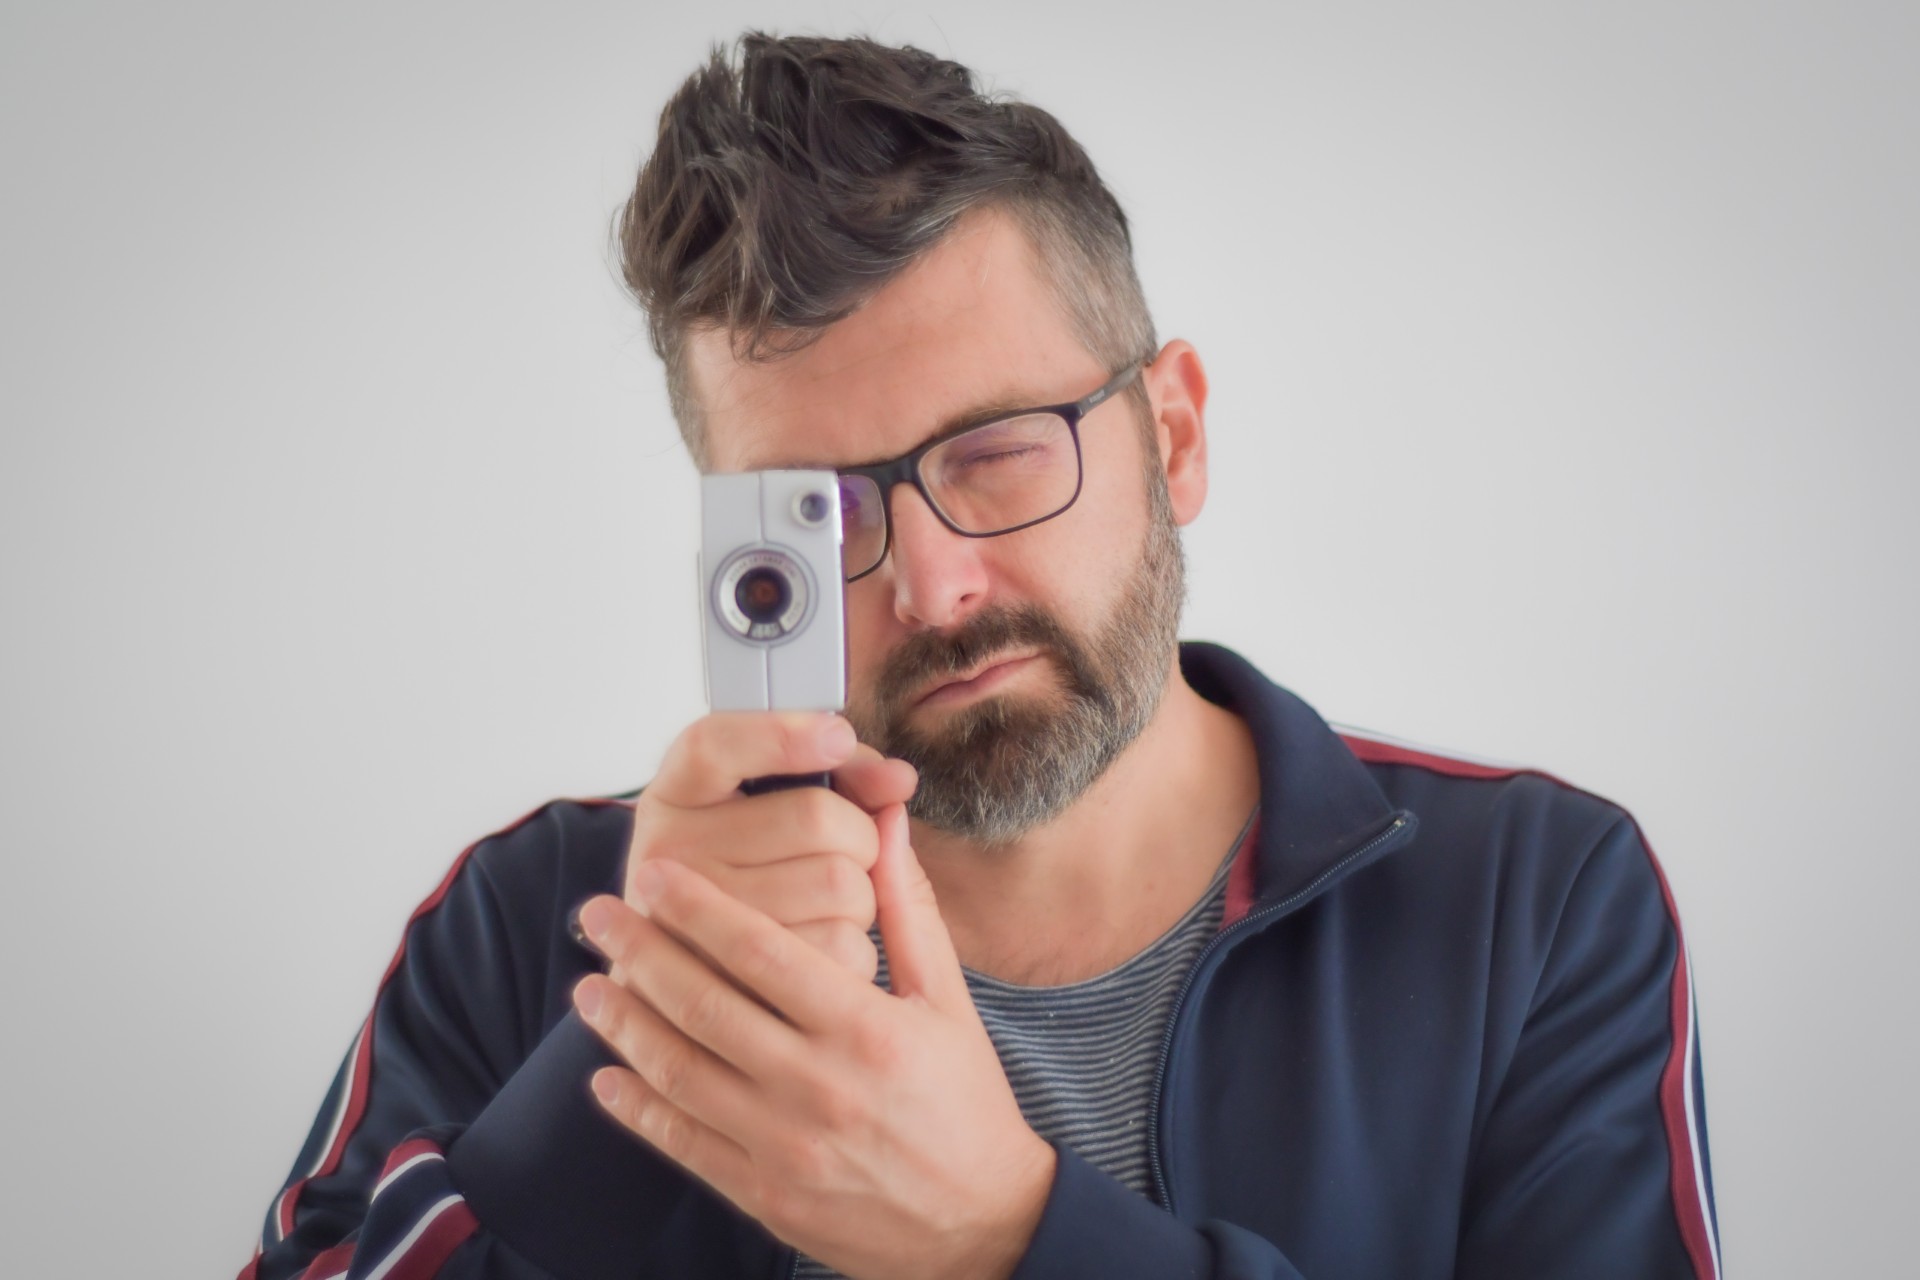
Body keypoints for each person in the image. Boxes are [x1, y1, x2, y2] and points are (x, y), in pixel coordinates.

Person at [239, 32, 1720, 1280]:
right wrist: (655, 1027)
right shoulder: (545, 922)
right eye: (820, 514)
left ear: (1174, 437)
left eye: (1000, 453)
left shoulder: (1533, 905)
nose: (932, 588)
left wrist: (1008, 1234)